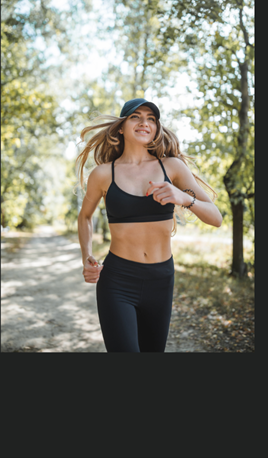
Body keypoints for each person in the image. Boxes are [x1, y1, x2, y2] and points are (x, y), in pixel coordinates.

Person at [75, 98, 222, 352]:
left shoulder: (172, 167)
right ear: (121, 127)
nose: (145, 122)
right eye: (136, 117)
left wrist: (184, 198)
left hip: (161, 279)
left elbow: (216, 217)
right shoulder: (102, 174)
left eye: (151, 119)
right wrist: (87, 255)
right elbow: (85, 216)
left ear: (156, 128)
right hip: (118, 280)